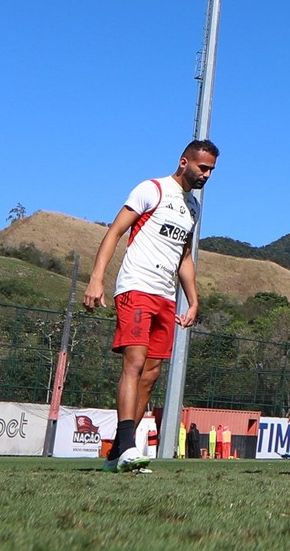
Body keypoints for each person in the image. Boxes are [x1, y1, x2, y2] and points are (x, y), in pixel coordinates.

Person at [84, 139, 219, 473]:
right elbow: (115, 231)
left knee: (152, 373)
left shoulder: (193, 208)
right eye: (203, 168)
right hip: (136, 287)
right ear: (184, 161)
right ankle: (129, 445)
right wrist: (97, 278)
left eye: (212, 170)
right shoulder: (151, 189)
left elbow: (184, 255)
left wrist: (194, 299)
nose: (207, 175)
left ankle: (118, 452)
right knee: (135, 362)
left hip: (165, 295)